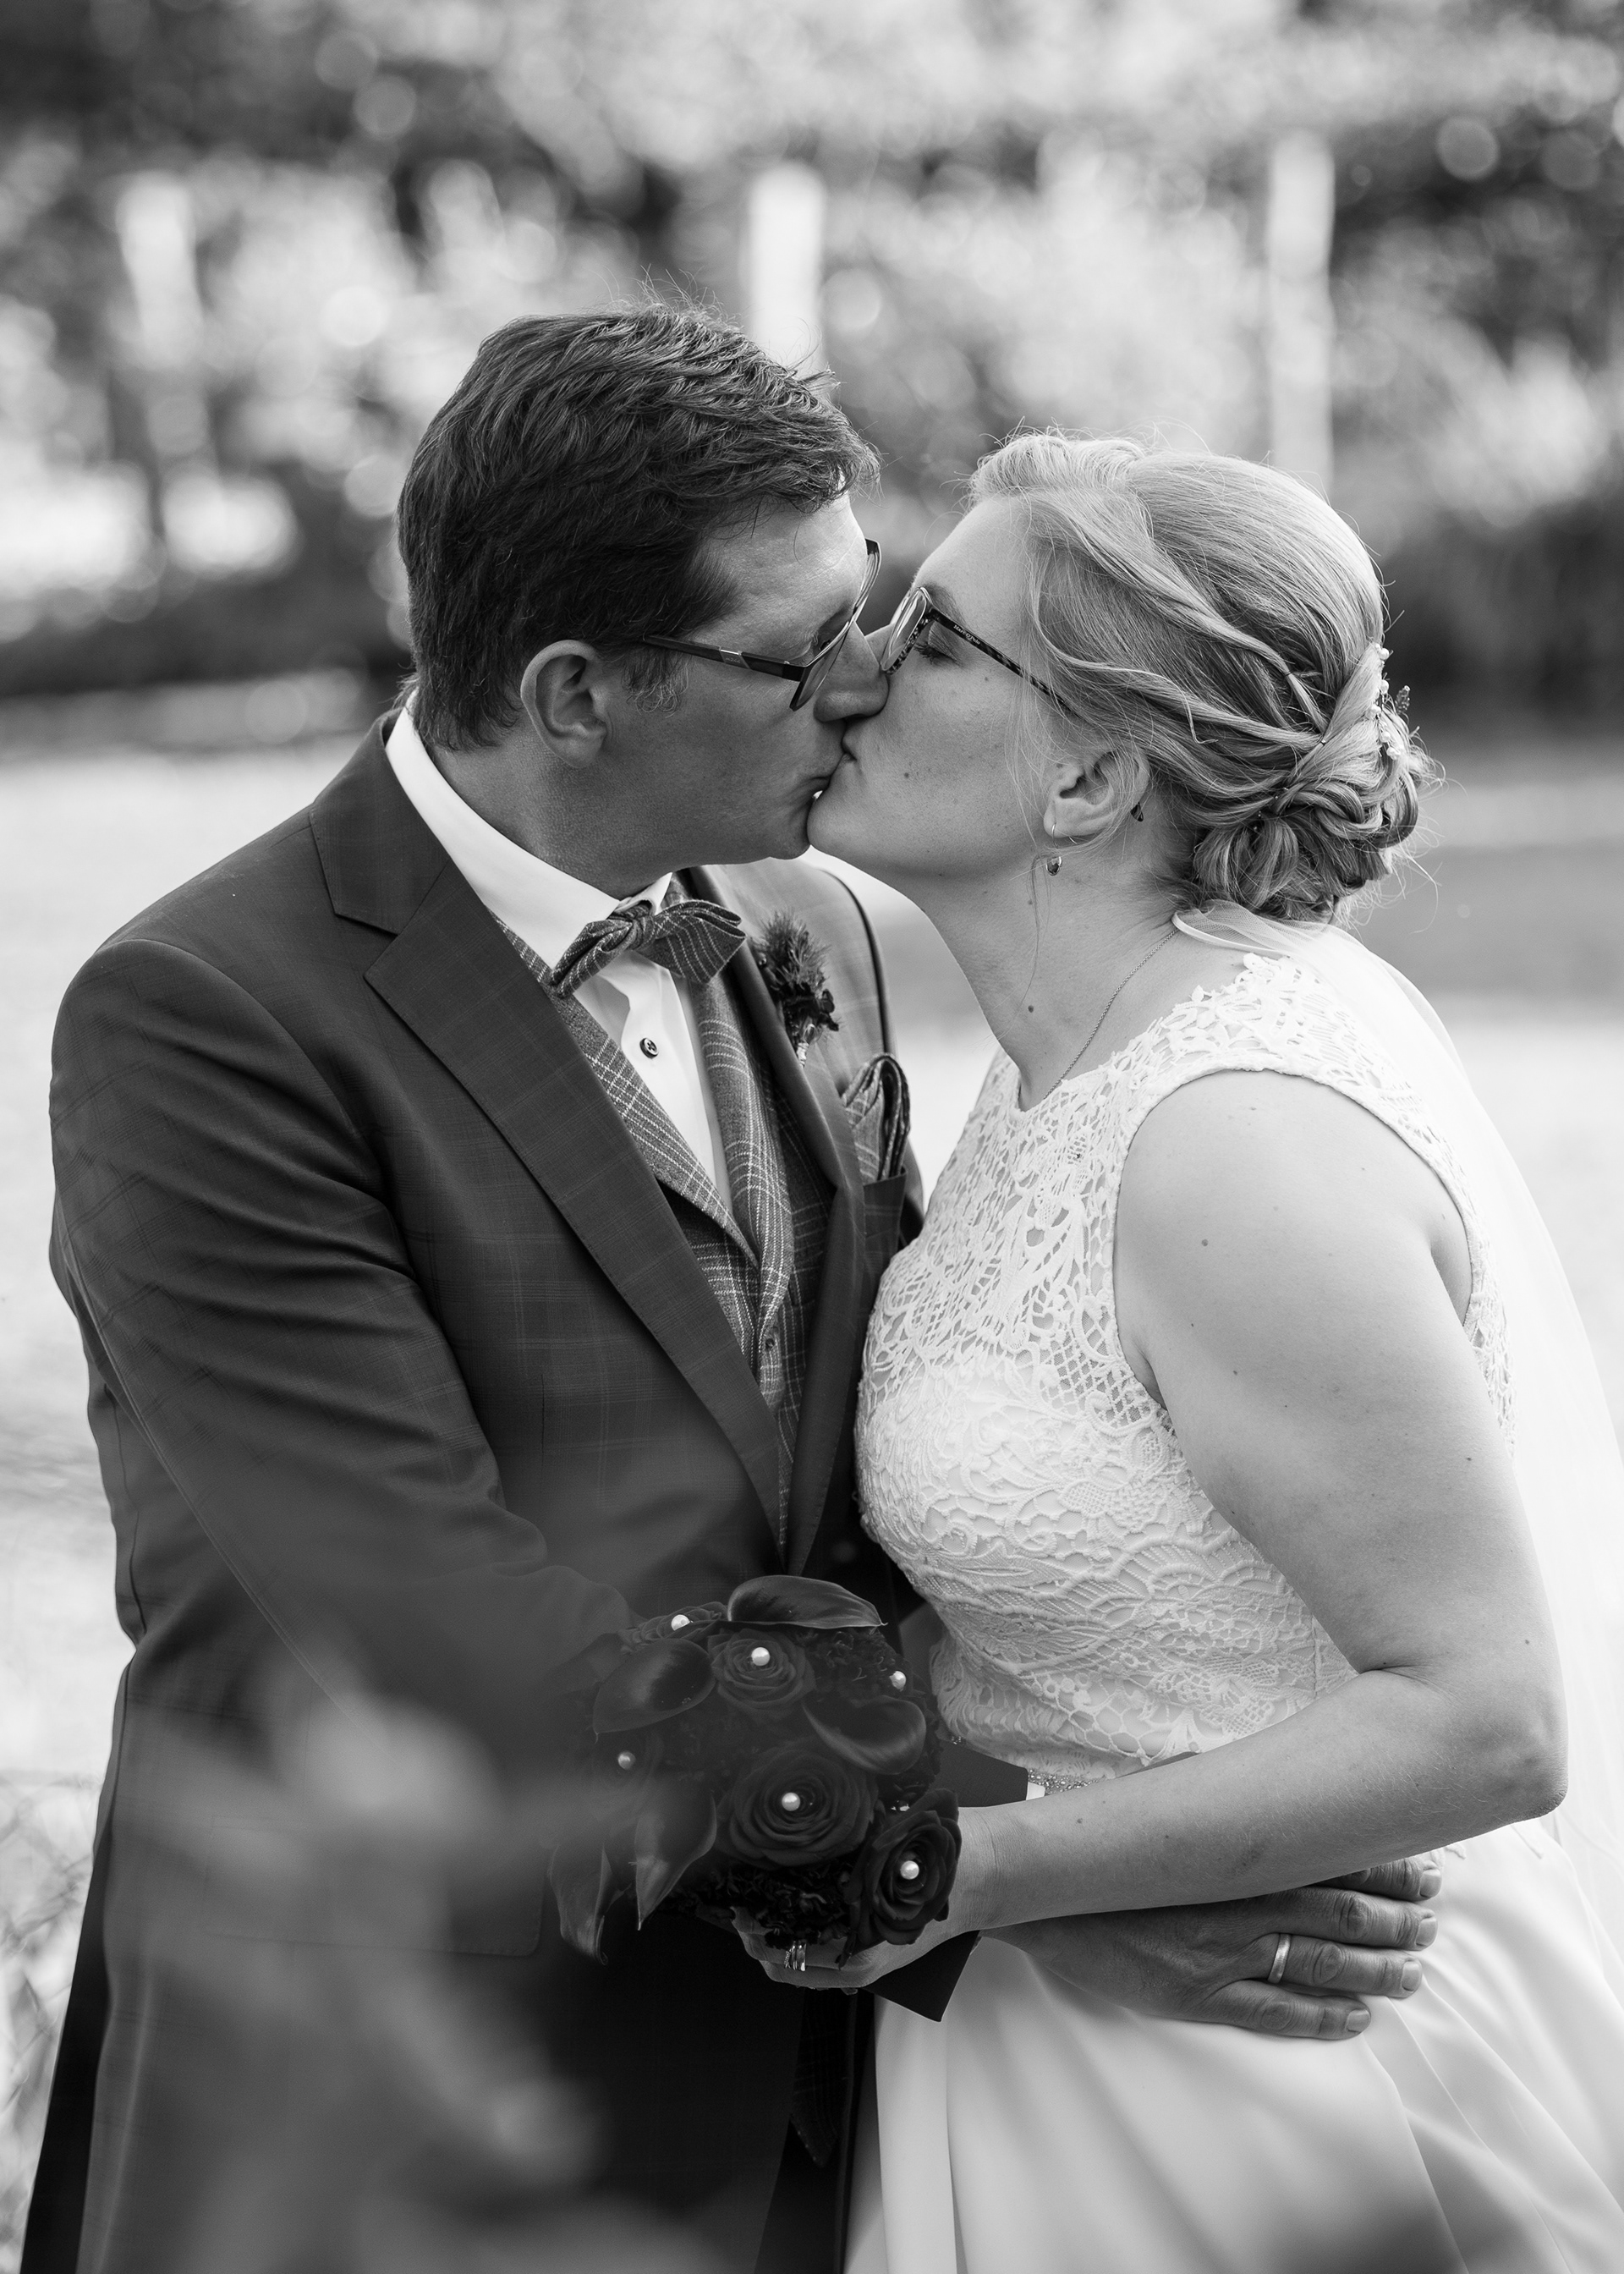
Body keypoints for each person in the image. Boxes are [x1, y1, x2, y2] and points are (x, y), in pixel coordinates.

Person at [30, 318, 1437, 2274]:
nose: (868, 681)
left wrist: (1048, 1850)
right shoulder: (208, 1021)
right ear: (577, 693)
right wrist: (971, 1878)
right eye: (801, 651)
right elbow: (446, 1624)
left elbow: (871, 1479)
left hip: (806, 2104)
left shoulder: (812, 922)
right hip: (401, 2108)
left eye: (873, 607)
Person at [782, 431, 1624, 2272]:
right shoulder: (1065, 1061)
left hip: (1299, 2085)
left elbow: (1486, 1714)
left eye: (931, 639)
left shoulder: (1234, 1140)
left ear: (1089, 776)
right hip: (1067, 2056)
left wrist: (956, 1875)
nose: (847, 669)